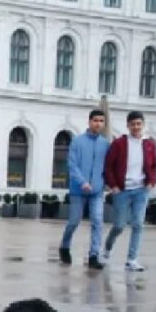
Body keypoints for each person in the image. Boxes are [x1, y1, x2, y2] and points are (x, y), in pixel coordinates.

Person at [103, 111, 156, 271]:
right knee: (119, 225)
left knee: (138, 224)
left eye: (139, 124)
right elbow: (108, 166)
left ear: (143, 125)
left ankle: (132, 259)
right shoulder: (119, 143)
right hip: (122, 190)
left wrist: (152, 181)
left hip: (141, 190)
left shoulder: (149, 145)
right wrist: (113, 186)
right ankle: (106, 250)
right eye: (133, 124)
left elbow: (154, 165)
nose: (136, 127)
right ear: (128, 125)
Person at [59, 109, 110, 269]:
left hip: (97, 191)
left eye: (101, 121)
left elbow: (108, 167)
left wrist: (104, 183)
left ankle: (93, 255)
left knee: (97, 221)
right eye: (95, 120)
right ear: (89, 122)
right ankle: (64, 246)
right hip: (78, 190)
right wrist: (82, 182)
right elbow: (72, 165)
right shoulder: (77, 141)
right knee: (74, 221)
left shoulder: (105, 144)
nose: (98, 123)